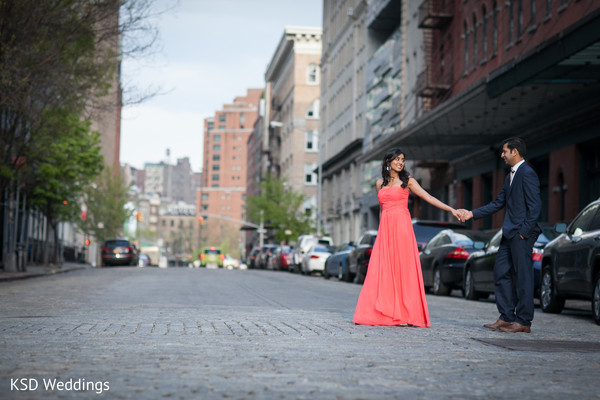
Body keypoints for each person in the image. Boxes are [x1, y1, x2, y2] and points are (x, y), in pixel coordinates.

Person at [353, 148, 462, 327]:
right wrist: (381, 232)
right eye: (396, 159)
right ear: (388, 162)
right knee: (383, 270)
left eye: (402, 159)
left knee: (403, 269)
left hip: (402, 229)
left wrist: (451, 209)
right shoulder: (379, 183)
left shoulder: (408, 181)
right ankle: (382, 313)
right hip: (385, 231)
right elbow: (382, 210)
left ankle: (404, 314)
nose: (400, 162)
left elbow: (427, 196)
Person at [457, 137, 541, 333]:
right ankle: (506, 317)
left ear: (515, 152)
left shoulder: (527, 173)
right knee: (500, 272)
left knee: (523, 278)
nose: (502, 155)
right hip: (509, 233)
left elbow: (535, 206)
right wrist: (471, 214)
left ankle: (523, 322)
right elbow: (498, 203)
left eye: (504, 151)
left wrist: (524, 232)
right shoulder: (509, 175)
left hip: (520, 234)